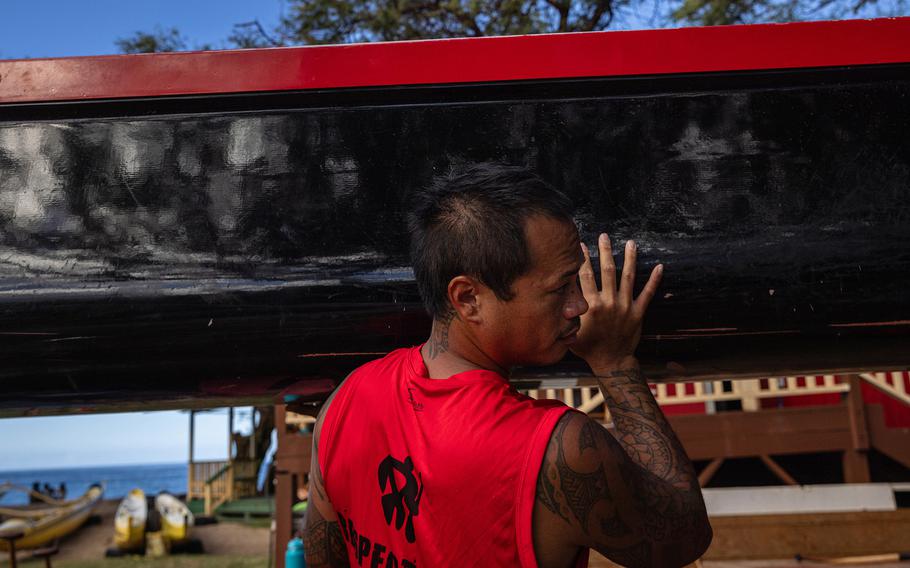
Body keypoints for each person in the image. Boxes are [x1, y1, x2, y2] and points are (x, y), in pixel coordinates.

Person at [303, 164, 712, 567]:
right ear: (468, 299)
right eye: (559, 289)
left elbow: (323, 558)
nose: (582, 306)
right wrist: (615, 362)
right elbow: (684, 535)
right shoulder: (557, 451)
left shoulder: (347, 400)